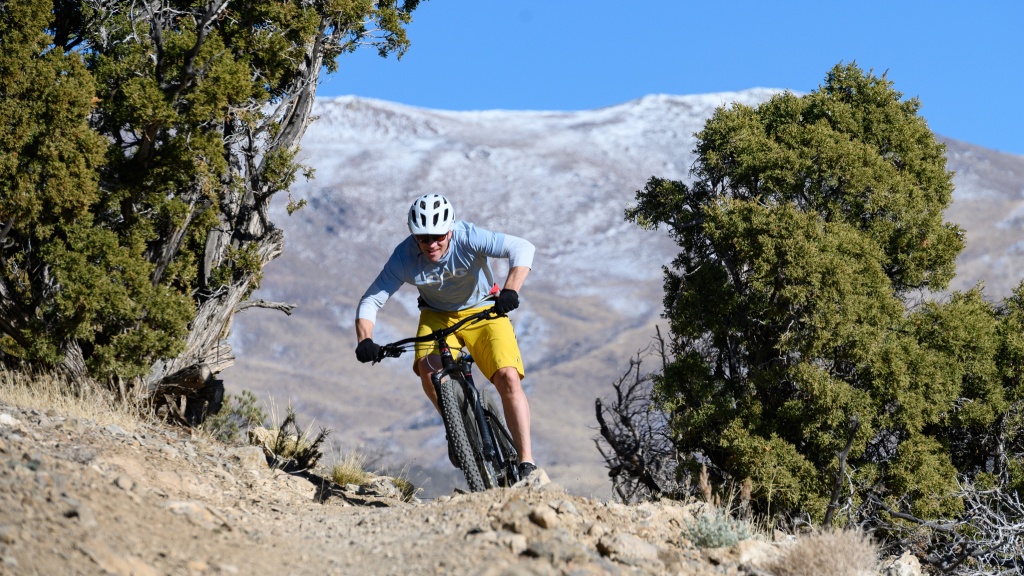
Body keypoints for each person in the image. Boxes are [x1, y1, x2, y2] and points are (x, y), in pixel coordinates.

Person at [354, 193, 537, 479]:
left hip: (484, 310)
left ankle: (527, 462)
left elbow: (522, 248)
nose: (431, 244)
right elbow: (371, 301)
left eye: (438, 236)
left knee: (508, 377)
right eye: (423, 238)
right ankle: (457, 430)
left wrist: (511, 290)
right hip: (437, 315)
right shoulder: (404, 256)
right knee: (428, 371)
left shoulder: (468, 237)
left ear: (450, 230)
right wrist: (365, 340)